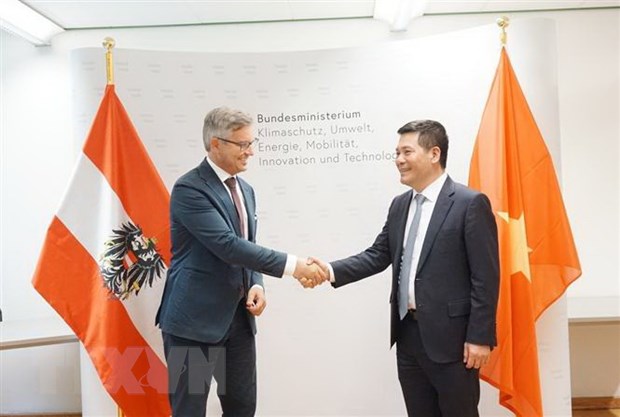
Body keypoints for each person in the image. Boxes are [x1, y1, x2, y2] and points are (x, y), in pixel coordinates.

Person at [309, 120, 499, 417]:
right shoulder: (399, 205)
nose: (398, 160)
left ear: (434, 154)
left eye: (406, 152)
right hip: (408, 336)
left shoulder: (469, 203)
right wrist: (329, 270)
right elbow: (377, 255)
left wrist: (480, 337)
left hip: (453, 342)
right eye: (396, 153)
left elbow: (485, 277)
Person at [155, 106, 323, 417]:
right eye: (242, 144)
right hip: (192, 325)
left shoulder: (245, 189)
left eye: (251, 143)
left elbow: (247, 246)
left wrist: (256, 282)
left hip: (238, 321)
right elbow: (227, 246)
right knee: (190, 410)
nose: (250, 152)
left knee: (242, 408)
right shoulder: (189, 188)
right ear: (215, 144)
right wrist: (295, 266)